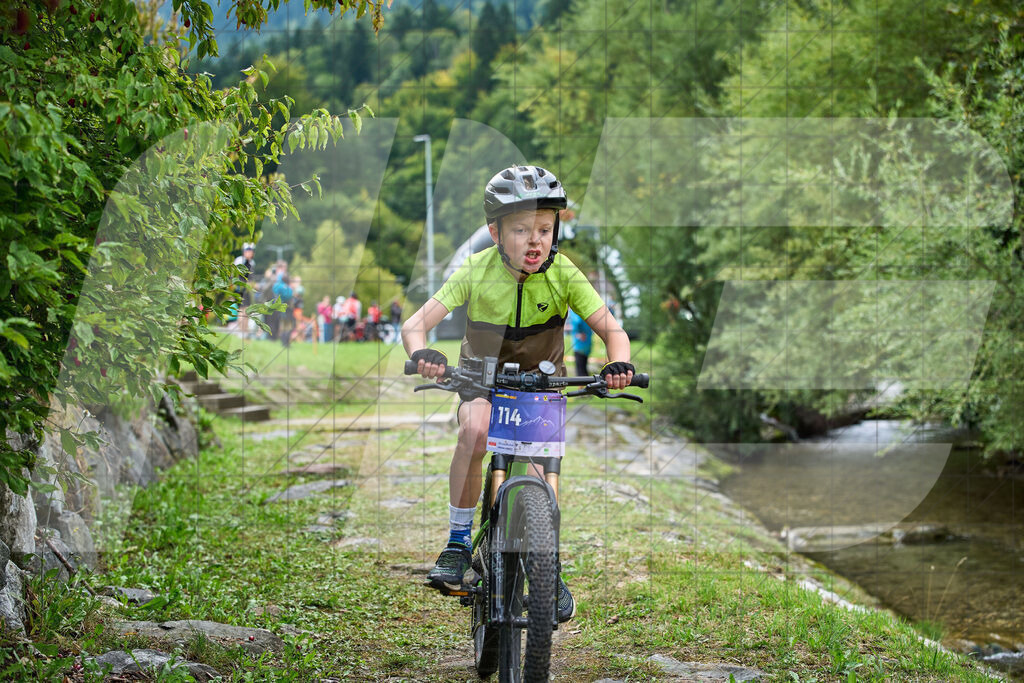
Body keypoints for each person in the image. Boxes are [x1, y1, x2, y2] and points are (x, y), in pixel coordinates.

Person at [402, 165, 635, 624]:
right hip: (480, 381)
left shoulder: (563, 273)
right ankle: (456, 543)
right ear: (495, 232)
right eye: (522, 230)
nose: (535, 241)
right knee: (475, 429)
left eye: (545, 229)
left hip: (543, 383)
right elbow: (415, 325)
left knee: (541, 473)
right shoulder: (475, 269)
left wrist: (616, 363)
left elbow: (613, 330)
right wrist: (423, 352)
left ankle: (550, 564)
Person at [233, 242, 256, 336]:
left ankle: (245, 331)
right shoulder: (239, 261)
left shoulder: (251, 263)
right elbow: (236, 276)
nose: (250, 253)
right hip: (240, 289)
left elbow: (251, 277)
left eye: (251, 251)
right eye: (248, 251)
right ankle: (241, 332)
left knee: (246, 310)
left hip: (247, 290)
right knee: (242, 310)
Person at [568, 308, 593, 376]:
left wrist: (578, 332)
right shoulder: (586, 310)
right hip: (587, 342)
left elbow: (577, 321)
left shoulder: (575, 310)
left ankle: (583, 386)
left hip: (580, 344)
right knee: (584, 368)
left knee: (581, 371)